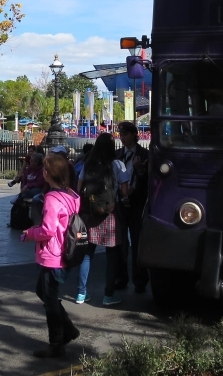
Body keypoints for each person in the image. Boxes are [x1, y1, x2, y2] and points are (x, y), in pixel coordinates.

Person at [20, 153, 81, 359]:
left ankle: (57, 342)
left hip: (53, 253)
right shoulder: (71, 195)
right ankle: (68, 330)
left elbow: (47, 230)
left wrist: (29, 234)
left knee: (50, 298)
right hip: (65, 250)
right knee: (44, 292)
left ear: (48, 173)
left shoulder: (52, 199)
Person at [76, 132, 129, 306]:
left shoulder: (88, 164)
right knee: (111, 256)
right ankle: (108, 296)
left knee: (87, 255)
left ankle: (81, 293)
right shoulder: (118, 164)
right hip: (109, 214)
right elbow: (124, 192)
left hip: (90, 214)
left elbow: (79, 188)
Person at [114, 121, 149, 294]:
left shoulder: (145, 154)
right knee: (121, 243)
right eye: (121, 135)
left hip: (136, 203)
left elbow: (151, 181)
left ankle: (140, 280)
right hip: (120, 203)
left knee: (137, 242)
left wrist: (141, 171)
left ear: (134, 135)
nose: (122, 138)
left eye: (126, 134)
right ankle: (121, 277)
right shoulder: (118, 155)